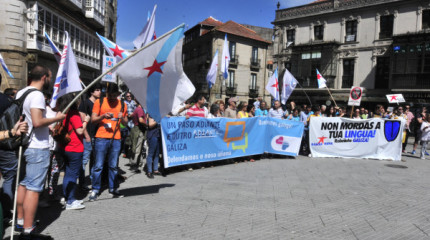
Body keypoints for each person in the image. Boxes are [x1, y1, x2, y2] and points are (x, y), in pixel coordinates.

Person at [15, 65, 66, 234]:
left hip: (24, 145)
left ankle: (21, 221)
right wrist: (56, 118)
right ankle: (29, 229)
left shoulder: (22, 92)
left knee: (23, 184)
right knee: (34, 189)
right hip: (37, 146)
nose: (50, 80)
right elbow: (37, 122)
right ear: (44, 77)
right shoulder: (36, 95)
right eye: (50, 77)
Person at [89, 83, 127, 201]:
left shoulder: (122, 104)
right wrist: (103, 116)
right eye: (109, 95)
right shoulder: (99, 102)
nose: (111, 98)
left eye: (113, 95)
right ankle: (95, 189)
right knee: (98, 165)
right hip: (101, 137)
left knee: (113, 166)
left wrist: (122, 117)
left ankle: (113, 188)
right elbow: (93, 119)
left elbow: (125, 124)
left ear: (117, 94)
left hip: (116, 138)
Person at [56, 93, 90, 210]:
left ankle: (68, 197)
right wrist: (86, 120)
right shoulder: (73, 114)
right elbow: (80, 131)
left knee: (68, 173)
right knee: (72, 175)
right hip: (74, 148)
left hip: (64, 146)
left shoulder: (62, 112)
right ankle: (71, 200)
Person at [0, 90, 28, 227]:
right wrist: (12, 133)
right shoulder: (7, 101)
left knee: (9, 178)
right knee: (9, 178)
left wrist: (11, 132)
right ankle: (6, 213)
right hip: (7, 148)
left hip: (7, 144)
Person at [78, 83, 101, 190]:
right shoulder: (85, 103)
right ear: (91, 92)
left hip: (97, 135)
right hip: (88, 136)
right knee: (84, 160)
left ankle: (92, 180)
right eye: (97, 90)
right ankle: (81, 183)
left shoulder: (99, 104)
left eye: (100, 90)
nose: (99, 91)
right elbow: (82, 120)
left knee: (95, 160)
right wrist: (86, 135)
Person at [129, 102, 147, 171]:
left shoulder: (136, 109)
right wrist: (146, 125)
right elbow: (140, 120)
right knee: (137, 149)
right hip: (139, 130)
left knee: (134, 147)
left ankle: (133, 163)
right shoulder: (140, 109)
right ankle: (134, 165)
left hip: (135, 129)